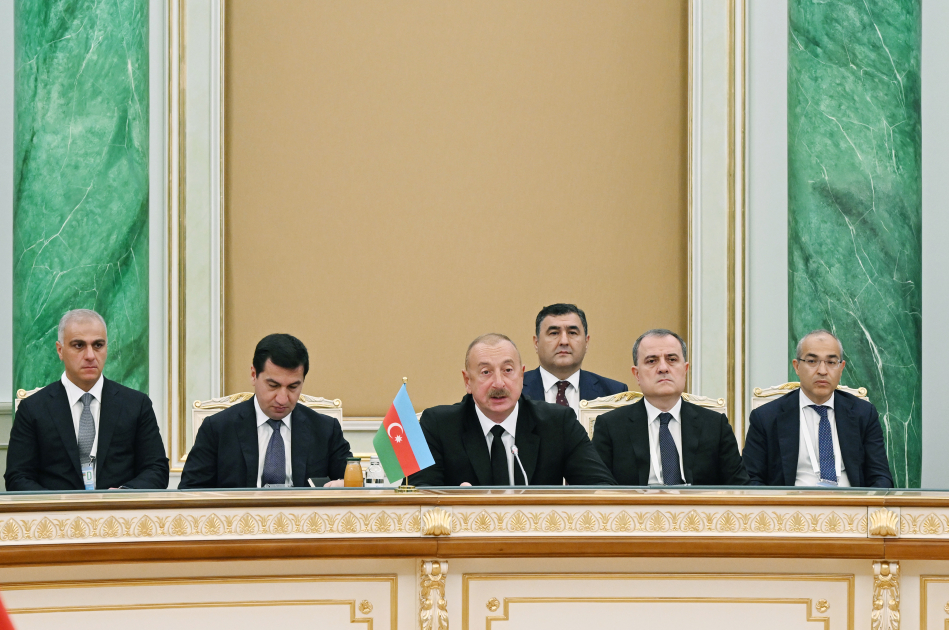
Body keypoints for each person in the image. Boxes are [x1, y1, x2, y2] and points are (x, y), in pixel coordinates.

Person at [407, 333, 615, 486]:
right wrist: (456, 503)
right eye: (486, 372)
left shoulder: (557, 423)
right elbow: (420, 495)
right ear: (467, 381)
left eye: (507, 370)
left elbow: (601, 486)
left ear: (522, 375)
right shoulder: (438, 425)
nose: (499, 383)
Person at [5, 309, 169, 491]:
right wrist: (57, 503)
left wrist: (123, 495)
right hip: (57, 509)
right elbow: (17, 476)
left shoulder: (136, 404)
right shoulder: (33, 408)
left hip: (118, 508)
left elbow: (157, 469)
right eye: (79, 345)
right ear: (60, 350)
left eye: (98, 345)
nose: (90, 355)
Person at [179, 333, 352, 489]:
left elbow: (353, 482)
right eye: (273, 385)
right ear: (254, 375)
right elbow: (190, 492)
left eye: (293, 387)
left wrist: (346, 485)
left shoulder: (325, 430)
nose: (282, 399)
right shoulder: (217, 428)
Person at [591, 329, 748, 486]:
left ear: (685, 370)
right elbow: (598, 486)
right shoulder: (610, 426)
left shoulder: (715, 425)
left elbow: (740, 487)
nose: (663, 368)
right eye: (651, 361)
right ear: (637, 374)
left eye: (672, 359)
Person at [742, 329, 893, 488]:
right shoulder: (766, 417)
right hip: (793, 502)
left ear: (841, 368)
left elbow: (881, 476)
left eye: (831, 362)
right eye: (812, 361)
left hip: (849, 502)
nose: (822, 371)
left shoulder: (864, 413)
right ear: (797, 367)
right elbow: (751, 479)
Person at [522, 304, 627, 416]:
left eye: (572, 333)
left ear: (586, 342)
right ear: (536, 343)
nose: (564, 341)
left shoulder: (614, 393)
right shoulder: (516, 390)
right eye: (554, 333)